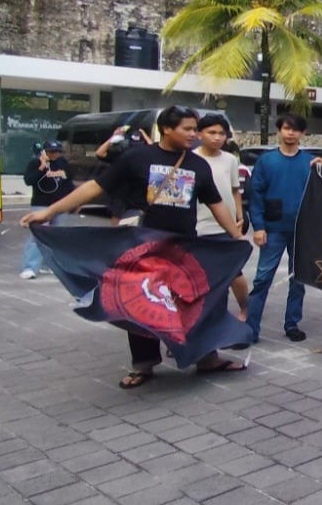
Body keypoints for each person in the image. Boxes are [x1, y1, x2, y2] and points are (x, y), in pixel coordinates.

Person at [21, 106, 245, 387]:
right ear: (166, 129)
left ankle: (207, 358)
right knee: (139, 302)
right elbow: (95, 187)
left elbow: (216, 204)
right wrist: (49, 211)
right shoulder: (139, 157)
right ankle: (144, 364)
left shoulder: (198, 165)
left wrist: (236, 236)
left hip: (183, 250)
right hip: (145, 247)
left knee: (196, 302)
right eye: (187, 129)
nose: (193, 134)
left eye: (194, 129)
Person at [245, 113, 322, 344]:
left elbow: (319, 197)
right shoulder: (266, 161)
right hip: (273, 229)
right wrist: (258, 226)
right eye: (286, 128)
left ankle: (292, 323)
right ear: (279, 130)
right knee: (262, 279)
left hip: (301, 230)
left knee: (298, 279)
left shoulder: (310, 162)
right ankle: (250, 328)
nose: (291, 133)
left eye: (296, 129)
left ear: (303, 133)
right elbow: (255, 195)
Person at [195, 114, 249, 318]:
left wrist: (239, 215)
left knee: (235, 272)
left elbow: (235, 190)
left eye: (221, 133)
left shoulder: (230, 160)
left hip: (226, 227)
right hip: (198, 226)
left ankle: (245, 310)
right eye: (211, 132)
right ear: (200, 134)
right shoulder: (191, 159)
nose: (217, 137)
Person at [19, 140, 76, 279]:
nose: (54, 154)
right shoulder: (36, 163)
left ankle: (49, 264)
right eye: (51, 152)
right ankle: (30, 267)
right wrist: (42, 167)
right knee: (37, 235)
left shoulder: (62, 163)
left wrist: (73, 202)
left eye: (57, 152)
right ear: (44, 152)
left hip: (60, 203)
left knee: (56, 235)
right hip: (41, 203)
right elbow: (28, 180)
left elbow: (69, 182)